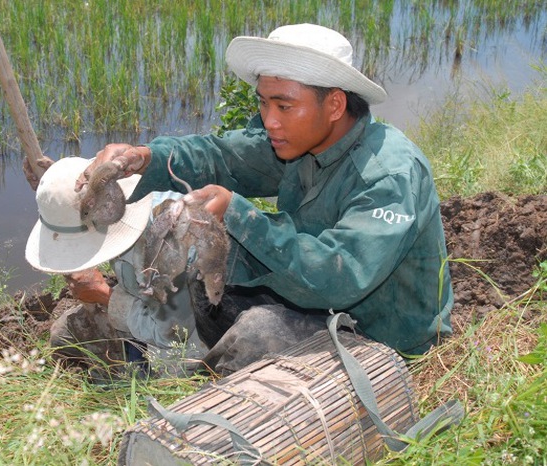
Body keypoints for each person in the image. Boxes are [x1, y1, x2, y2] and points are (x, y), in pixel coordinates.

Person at [66, 23, 453, 375]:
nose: (270, 120)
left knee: (258, 333)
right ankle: (191, 353)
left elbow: (341, 276)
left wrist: (239, 214)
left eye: (284, 105)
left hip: (382, 337)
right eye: (264, 103)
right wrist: (144, 157)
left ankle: (199, 383)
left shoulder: (387, 174)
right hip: (319, 301)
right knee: (204, 268)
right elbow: (221, 156)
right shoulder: (299, 141)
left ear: (335, 104)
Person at [24, 156, 208, 375]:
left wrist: (104, 295)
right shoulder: (109, 202)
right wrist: (58, 197)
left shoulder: (165, 244)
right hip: (146, 302)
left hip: (193, 340)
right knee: (64, 335)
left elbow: (174, 333)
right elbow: (81, 200)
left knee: (153, 379)